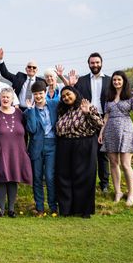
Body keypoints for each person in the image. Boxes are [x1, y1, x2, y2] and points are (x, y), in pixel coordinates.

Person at [55, 86, 104, 218]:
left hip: (85, 143)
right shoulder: (61, 110)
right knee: (64, 176)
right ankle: (66, 209)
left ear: (75, 93)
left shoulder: (86, 105)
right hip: (65, 144)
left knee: (85, 177)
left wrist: (87, 112)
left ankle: (85, 210)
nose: (66, 97)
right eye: (63, 96)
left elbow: (100, 124)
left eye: (68, 94)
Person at [0, 87, 32, 217]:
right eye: (3, 97)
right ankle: (1, 209)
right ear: (0, 99)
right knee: (0, 179)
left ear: (12, 99)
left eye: (8, 97)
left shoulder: (19, 113)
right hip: (0, 150)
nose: (5, 99)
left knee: (13, 179)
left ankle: (11, 209)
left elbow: (25, 130)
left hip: (16, 151)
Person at [99, 71, 133, 206]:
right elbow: (106, 117)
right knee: (113, 163)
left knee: (125, 164)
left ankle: (131, 193)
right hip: (110, 131)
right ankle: (118, 192)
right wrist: (101, 132)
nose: (116, 82)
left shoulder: (130, 96)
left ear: (124, 81)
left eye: (119, 80)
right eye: (114, 80)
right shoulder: (109, 96)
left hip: (126, 130)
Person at [74, 52, 111, 193]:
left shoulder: (109, 81)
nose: (95, 65)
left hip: (103, 119)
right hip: (86, 119)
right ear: (88, 64)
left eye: (97, 62)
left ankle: (104, 184)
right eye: (92, 63)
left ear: (101, 63)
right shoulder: (82, 81)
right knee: (87, 153)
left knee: (103, 154)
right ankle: (87, 183)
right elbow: (74, 95)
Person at [24, 81, 59, 215]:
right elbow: (32, 130)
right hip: (36, 146)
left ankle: (53, 206)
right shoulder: (28, 111)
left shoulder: (54, 104)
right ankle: (39, 207)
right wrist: (32, 111)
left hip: (52, 145)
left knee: (50, 177)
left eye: (40, 93)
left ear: (45, 93)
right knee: (37, 177)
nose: (38, 96)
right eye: (35, 94)